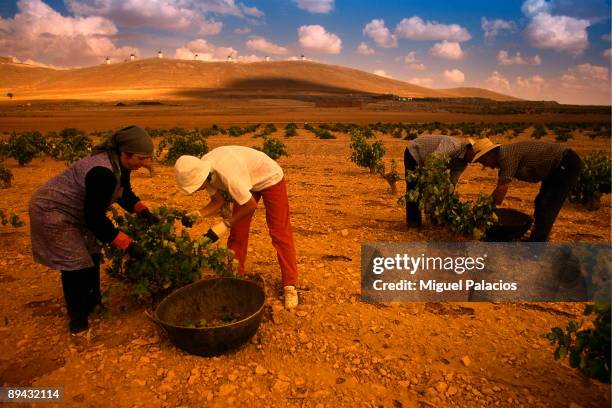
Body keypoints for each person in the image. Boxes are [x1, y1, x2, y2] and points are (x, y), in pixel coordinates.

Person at [29, 125, 156, 333]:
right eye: (141, 158)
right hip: (52, 210)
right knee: (76, 264)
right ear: (125, 153)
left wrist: (143, 211)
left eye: (147, 158)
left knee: (93, 253)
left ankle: (93, 302)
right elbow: (94, 218)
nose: (144, 163)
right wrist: (128, 244)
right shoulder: (102, 172)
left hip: (79, 211)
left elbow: (123, 193)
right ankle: (78, 321)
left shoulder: (120, 165)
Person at [174, 146, 299, 309]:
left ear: (202, 177)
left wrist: (224, 225)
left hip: (269, 177)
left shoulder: (227, 174)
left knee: (279, 231)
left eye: (196, 186)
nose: (196, 190)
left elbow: (250, 206)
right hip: (247, 181)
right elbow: (218, 202)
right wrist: (197, 215)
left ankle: (290, 285)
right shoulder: (203, 169)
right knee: (238, 232)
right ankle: (234, 276)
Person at [470, 138, 583, 241]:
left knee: (547, 205)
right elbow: (499, 187)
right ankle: (536, 240)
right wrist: (485, 207)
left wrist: (488, 213)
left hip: (566, 163)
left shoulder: (506, 156)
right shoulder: (504, 158)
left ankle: (536, 247)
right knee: (540, 202)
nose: (484, 165)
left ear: (490, 154)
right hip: (555, 168)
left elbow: (502, 189)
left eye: (482, 161)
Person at [404, 135, 474, 227]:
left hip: (428, 161)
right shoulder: (453, 145)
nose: (475, 160)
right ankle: (413, 223)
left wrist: (447, 196)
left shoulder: (463, 163)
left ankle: (434, 219)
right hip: (414, 152)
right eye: (476, 156)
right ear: (470, 149)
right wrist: (432, 183)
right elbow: (433, 160)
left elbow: (452, 182)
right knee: (414, 187)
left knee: (438, 191)